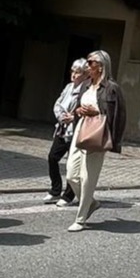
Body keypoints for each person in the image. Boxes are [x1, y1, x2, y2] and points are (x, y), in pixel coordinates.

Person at [62, 50, 127, 232]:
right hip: (81, 129)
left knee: (87, 178)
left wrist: (114, 140)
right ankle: (91, 203)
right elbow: (78, 107)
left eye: (91, 62)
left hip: (98, 132)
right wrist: (79, 112)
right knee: (71, 175)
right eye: (88, 62)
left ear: (101, 66)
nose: (88, 66)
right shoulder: (85, 85)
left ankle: (80, 219)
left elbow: (119, 115)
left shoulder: (111, 88)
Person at [45, 59, 89, 204]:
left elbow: (88, 109)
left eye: (78, 72)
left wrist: (74, 117)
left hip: (76, 131)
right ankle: (55, 190)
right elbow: (58, 104)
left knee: (72, 165)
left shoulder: (87, 90)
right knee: (52, 157)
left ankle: (68, 196)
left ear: (85, 75)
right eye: (73, 71)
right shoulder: (69, 87)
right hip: (63, 130)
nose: (74, 75)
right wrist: (61, 116)